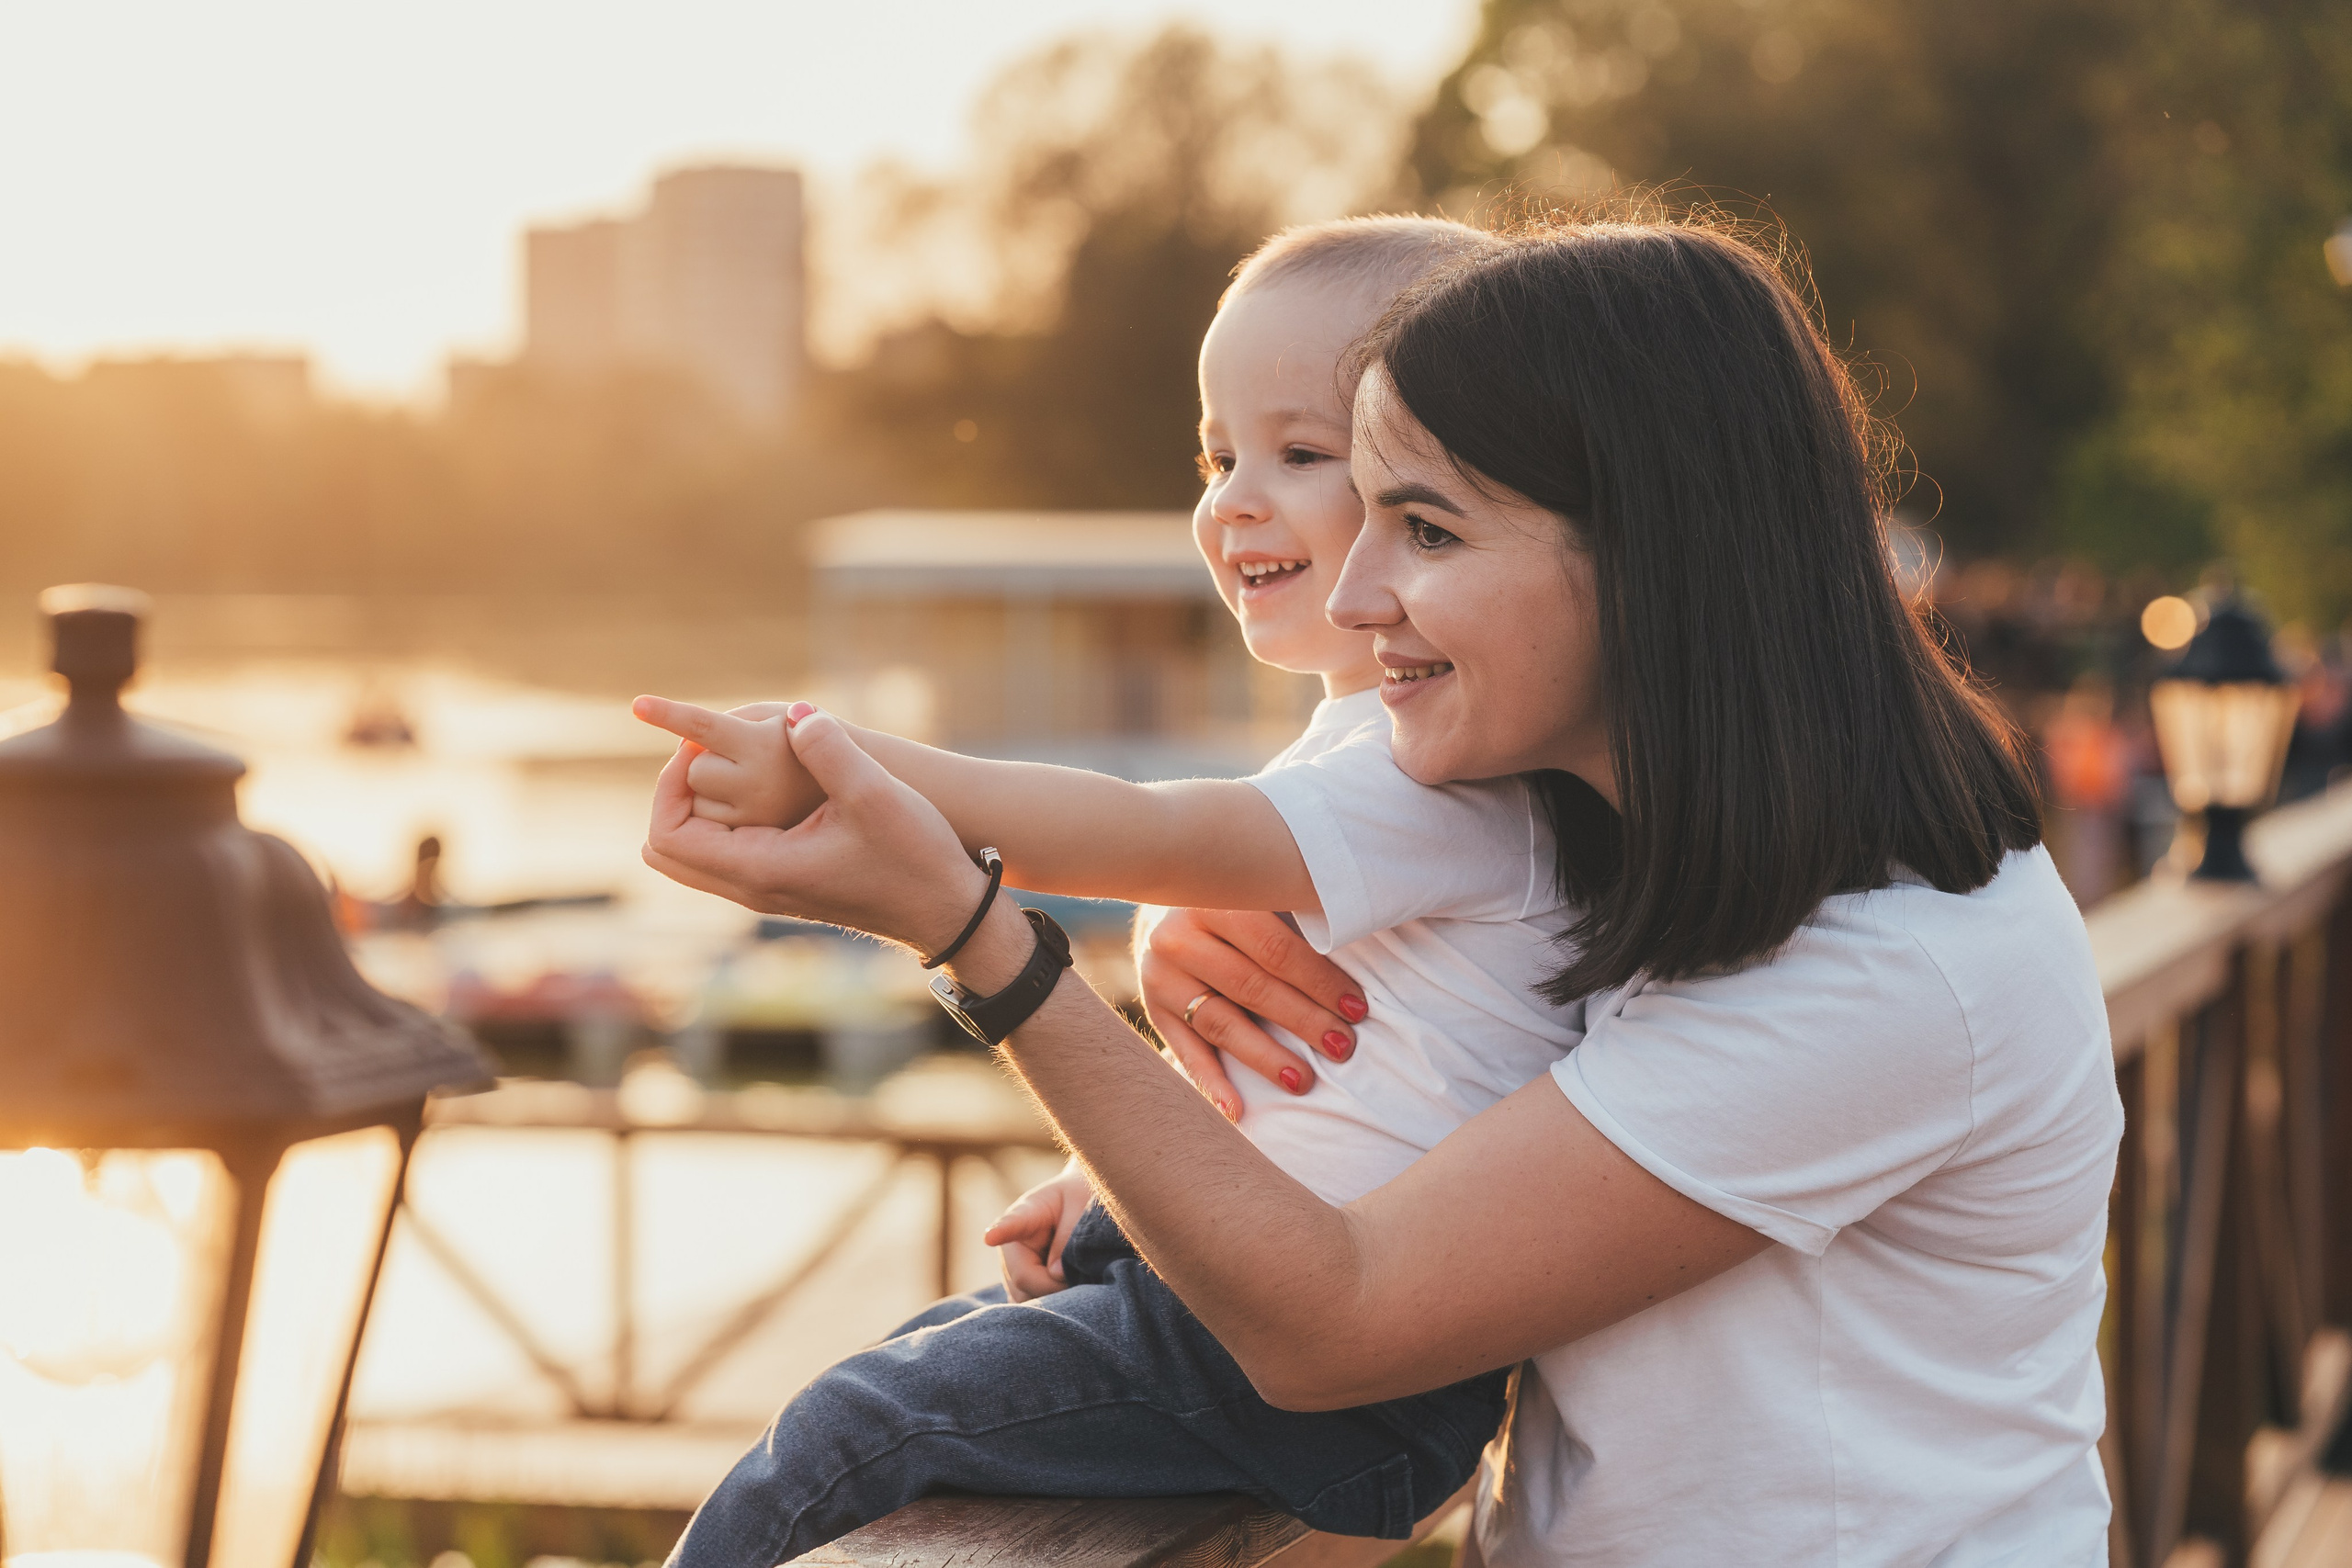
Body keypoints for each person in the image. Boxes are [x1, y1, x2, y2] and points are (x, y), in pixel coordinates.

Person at [645, 215, 2127, 1564]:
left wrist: (985, 941)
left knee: (864, 1428)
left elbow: (1333, 1324)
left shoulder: (1880, 972)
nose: (1353, 596)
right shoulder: (1656, 854)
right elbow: (1422, 1063)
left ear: (1656, 552)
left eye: (1426, 530)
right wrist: (1183, 985)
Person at [641, 215, 1586, 1567]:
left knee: (853, 1431)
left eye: (1303, 455)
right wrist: (1106, 1186)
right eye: (1215, 457)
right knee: (919, 1366)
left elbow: (1139, 828)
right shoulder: (1382, 750)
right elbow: (1376, 1061)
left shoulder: (1433, 767)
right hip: (1263, 1302)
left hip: (1316, 1356)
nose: (1234, 500)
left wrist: (831, 768)